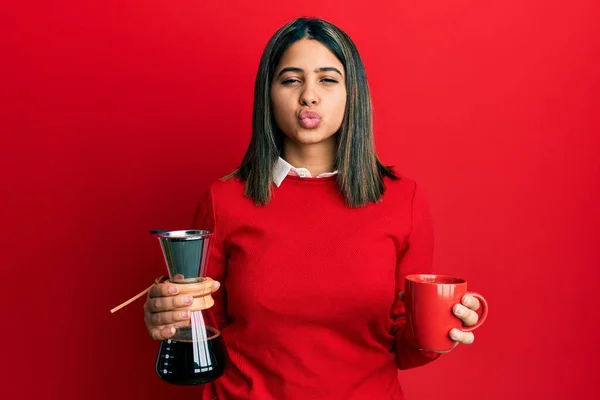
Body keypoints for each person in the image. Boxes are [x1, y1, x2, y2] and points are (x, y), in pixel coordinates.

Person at [143, 17, 482, 399]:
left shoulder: (404, 200)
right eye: (291, 80)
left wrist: (440, 330)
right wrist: (171, 312)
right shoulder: (223, 201)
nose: (309, 96)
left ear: (353, 93)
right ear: (268, 94)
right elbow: (204, 327)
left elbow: (406, 347)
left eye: (327, 79)